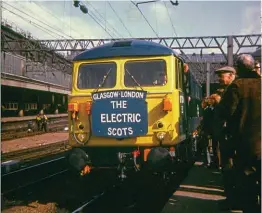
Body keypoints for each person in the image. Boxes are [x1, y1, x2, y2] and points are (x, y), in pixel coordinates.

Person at [214, 54, 261, 213]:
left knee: (247, 182)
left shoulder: (237, 86)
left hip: (246, 143)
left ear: (239, 69)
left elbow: (225, 113)